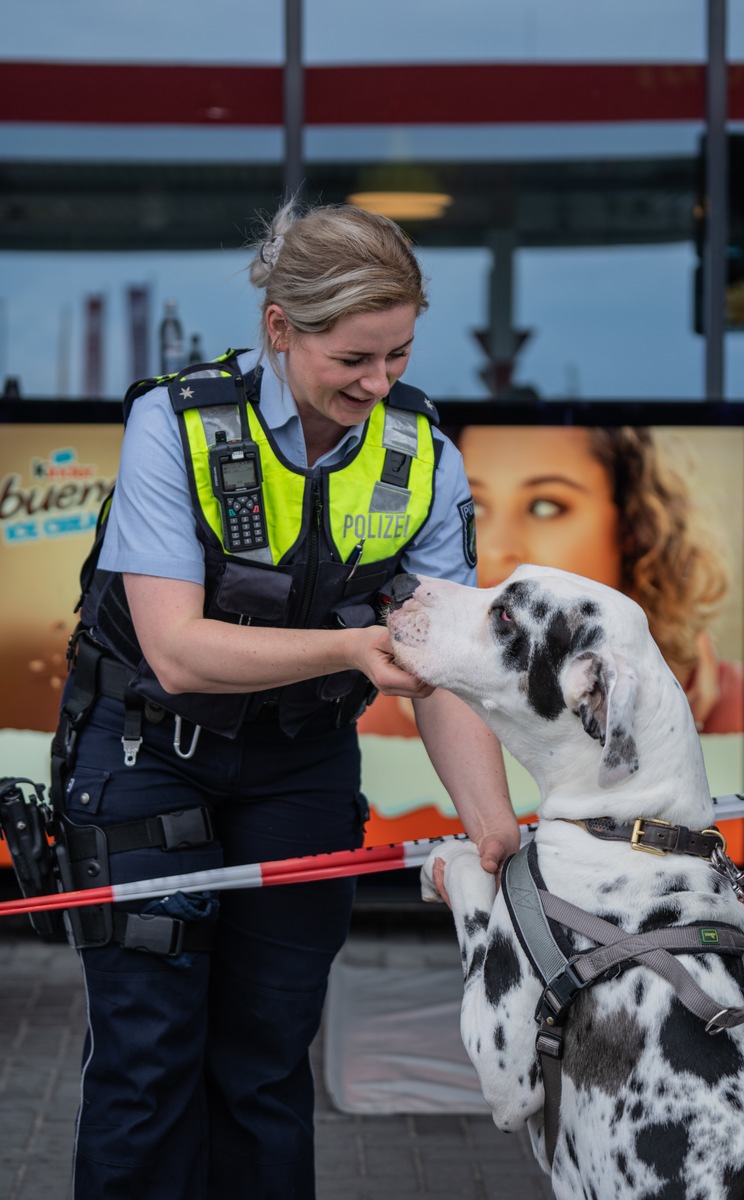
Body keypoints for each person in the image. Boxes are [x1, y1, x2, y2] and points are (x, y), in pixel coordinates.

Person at [51, 199, 519, 1200]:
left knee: (266, 1069)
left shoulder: (423, 456)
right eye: (354, 358)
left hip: (301, 767)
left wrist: (492, 829)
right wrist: (354, 644)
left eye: (395, 355)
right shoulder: (170, 424)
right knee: (146, 1072)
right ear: (280, 330)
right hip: (145, 756)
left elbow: (435, 675)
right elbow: (175, 652)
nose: (378, 382)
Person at [361, 422, 744, 739]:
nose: (498, 548)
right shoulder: (370, 704)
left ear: (631, 525)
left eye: (545, 506)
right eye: (473, 505)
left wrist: (667, 730)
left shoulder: (731, 704)